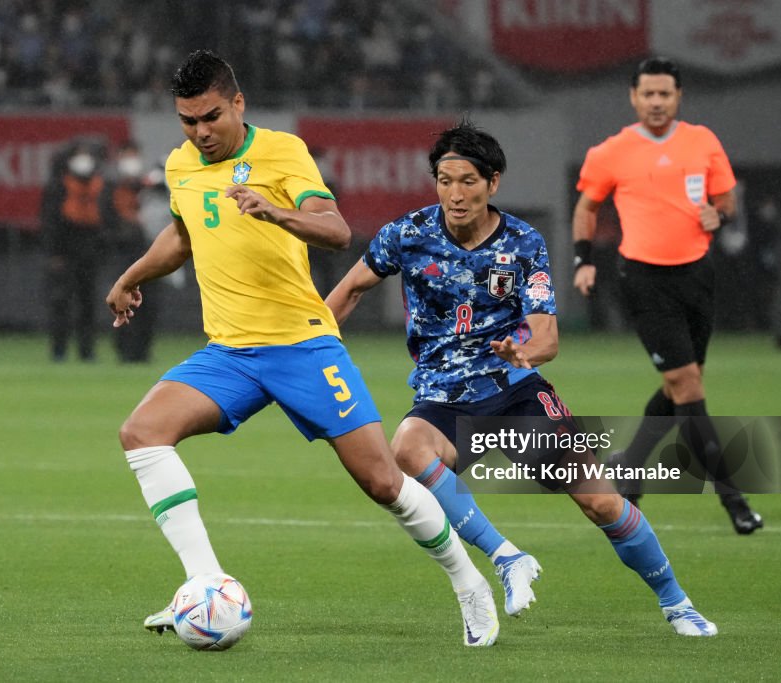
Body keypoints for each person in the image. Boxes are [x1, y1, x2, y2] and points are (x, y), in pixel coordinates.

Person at [104, 50, 500, 647]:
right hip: (230, 353)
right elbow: (183, 234)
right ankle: (205, 585)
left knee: (383, 482)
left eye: (211, 116)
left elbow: (337, 231)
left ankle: (469, 584)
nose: (201, 132)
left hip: (302, 346)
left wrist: (276, 212)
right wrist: (131, 277)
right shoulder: (182, 165)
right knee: (141, 433)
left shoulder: (283, 152)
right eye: (188, 121)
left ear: (238, 103)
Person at [325, 119, 718, 637]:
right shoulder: (408, 234)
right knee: (407, 447)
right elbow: (349, 290)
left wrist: (522, 351)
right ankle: (509, 558)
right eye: (445, 180)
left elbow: (548, 338)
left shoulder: (522, 242)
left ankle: (677, 603)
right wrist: (311, 346)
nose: (455, 194)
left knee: (600, 500)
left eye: (468, 181)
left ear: (494, 182)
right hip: (443, 396)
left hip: (514, 389)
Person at [571, 57, 763, 534]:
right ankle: (735, 502)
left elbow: (728, 202)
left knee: (680, 383)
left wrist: (720, 215)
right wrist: (584, 260)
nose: (656, 102)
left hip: (697, 276)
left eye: (665, 94)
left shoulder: (703, 141)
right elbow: (586, 208)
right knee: (689, 388)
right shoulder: (611, 152)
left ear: (678, 97)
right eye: (648, 94)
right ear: (633, 98)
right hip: (643, 279)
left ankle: (629, 471)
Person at [41, 139, 106, 362]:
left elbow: (105, 222)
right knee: (61, 303)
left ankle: (87, 351)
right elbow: (50, 222)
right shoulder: (58, 186)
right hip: (65, 254)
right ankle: (59, 350)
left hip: (90, 254)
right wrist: (54, 254)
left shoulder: (99, 186)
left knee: (88, 304)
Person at [101, 140, 154, 363]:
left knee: (149, 303)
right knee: (122, 301)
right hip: (122, 254)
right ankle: (124, 351)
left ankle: (142, 351)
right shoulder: (111, 189)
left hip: (149, 255)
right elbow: (105, 221)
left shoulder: (149, 186)